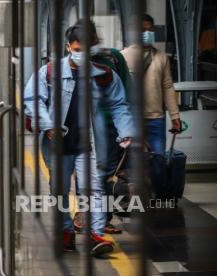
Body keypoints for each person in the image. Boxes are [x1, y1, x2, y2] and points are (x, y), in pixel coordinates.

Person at [23, 23, 135, 257]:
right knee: (59, 190)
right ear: (67, 47)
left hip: (90, 144)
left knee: (92, 188)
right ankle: (65, 232)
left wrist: (126, 132)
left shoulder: (104, 75)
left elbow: (119, 105)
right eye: (76, 48)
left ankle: (95, 234)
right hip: (58, 143)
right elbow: (33, 100)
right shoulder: (48, 72)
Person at [71, 19, 131, 235]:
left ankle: (101, 218)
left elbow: (127, 93)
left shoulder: (114, 58)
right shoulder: (71, 61)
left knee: (106, 174)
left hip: (110, 128)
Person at [121, 14, 182, 156]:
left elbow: (167, 86)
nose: (147, 34)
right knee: (133, 162)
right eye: (143, 30)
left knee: (158, 160)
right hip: (132, 120)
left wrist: (174, 115)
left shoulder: (161, 57)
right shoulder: (123, 56)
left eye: (150, 30)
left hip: (156, 119)